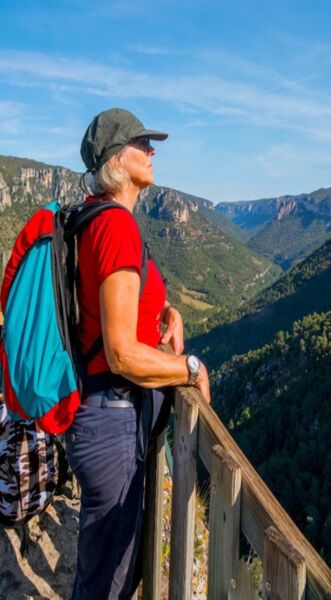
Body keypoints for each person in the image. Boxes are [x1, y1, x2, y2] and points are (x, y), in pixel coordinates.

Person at [68, 108, 211, 599]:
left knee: (107, 570)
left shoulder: (98, 220)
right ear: (115, 157)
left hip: (102, 416)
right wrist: (187, 368)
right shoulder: (115, 227)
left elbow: (115, 306)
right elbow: (122, 354)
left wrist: (166, 311)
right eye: (141, 143)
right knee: (108, 583)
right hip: (111, 423)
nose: (152, 151)